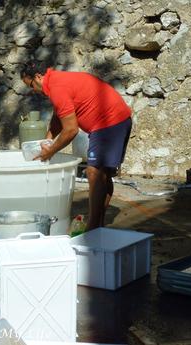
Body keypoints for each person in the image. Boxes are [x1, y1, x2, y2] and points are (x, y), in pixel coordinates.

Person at [20, 61, 132, 231]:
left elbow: (71, 130)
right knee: (104, 173)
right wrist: (47, 139)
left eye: (31, 85)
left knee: (94, 172)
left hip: (110, 122)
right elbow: (59, 117)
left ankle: (92, 229)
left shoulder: (57, 87)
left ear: (38, 77)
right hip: (116, 119)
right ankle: (98, 225)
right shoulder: (55, 81)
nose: (33, 90)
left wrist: (51, 151)